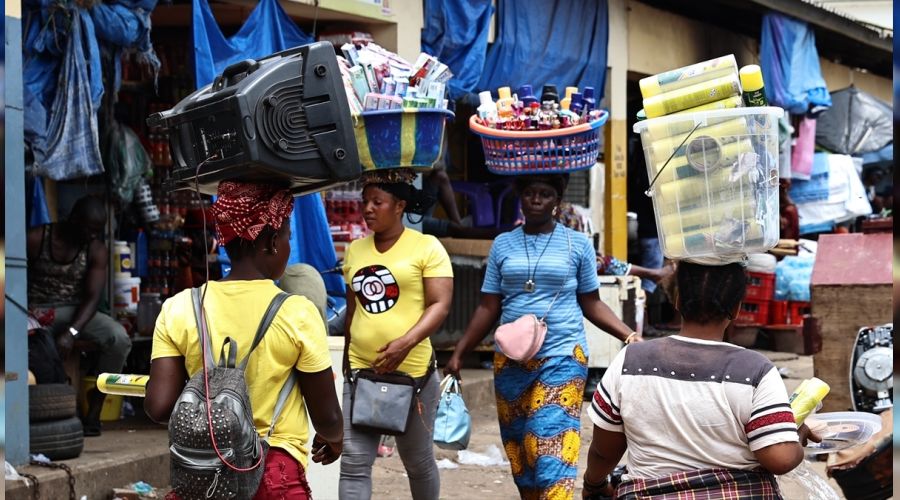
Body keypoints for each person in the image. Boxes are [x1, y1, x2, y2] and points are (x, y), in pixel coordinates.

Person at [445, 173, 640, 499]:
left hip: (562, 353)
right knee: (521, 452)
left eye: (545, 194)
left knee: (549, 440)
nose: (537, 199)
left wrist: (629, 334)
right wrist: (459, 352)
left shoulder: (576, 244)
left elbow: (591, 303)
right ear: (520, 197)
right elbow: (488, 305)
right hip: (510, 358)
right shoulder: (503, 244)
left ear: (557, 201)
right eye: (530, 193)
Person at [144, 181, 343, 500]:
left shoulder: (180, 307)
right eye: (287, 238)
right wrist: (334, 439)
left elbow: (159, 405)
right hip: (271, 473)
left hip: (204, 477)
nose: (288, 248)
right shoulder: (296, 313)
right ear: (272, 244)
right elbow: (327, 416)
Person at [582, 262, 820, 499]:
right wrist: (796, 433)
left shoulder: (630, 360)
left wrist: (594, 485)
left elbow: (604, 451)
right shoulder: (756, 370)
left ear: (676, 301)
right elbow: (780, 458)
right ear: (736, 309)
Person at [340, 168, 453, 500]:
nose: (368, 209)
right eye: (365, 202)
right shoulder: (355, 251)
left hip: (413, 376)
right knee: (354, 463)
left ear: (400, 205)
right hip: (361, 373)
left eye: (378, 202)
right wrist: (347, 357)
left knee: (417, 462)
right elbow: (353, 310)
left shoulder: (426, 247)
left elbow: (440, 305)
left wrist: (406, 342)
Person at [27, 195, 132, 436]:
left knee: (119, 338)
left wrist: (72, 332)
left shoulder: (96, 249)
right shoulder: (36, 238)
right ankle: (48, 412)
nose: (93, 236)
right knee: (37, 347)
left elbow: (93, 297)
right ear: (73, 220)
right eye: (89, 229)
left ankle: (95, 409)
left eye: (97, 231)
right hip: (36, 309)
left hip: (77, 310)